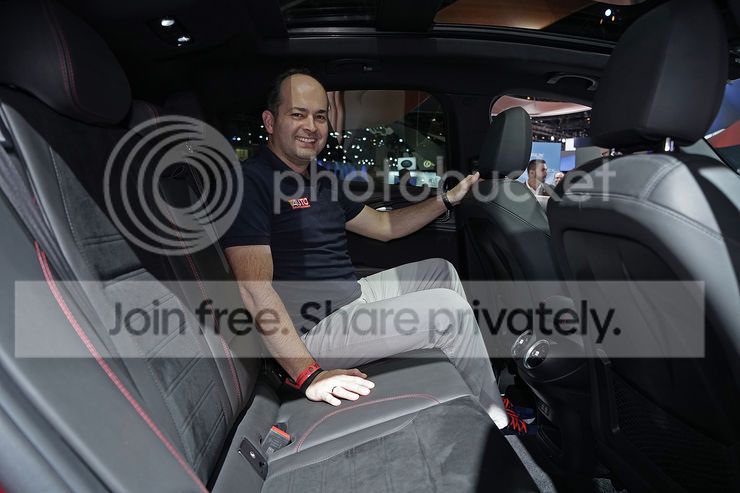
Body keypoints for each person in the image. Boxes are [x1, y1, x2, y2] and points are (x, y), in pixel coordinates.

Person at [222, 69, 508, 428]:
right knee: (449, 311)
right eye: (297, 114)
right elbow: (253, 289)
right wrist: (308, 374)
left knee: (440, 270)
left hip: (352, 297)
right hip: (313, 328)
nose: (311, 126)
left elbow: (385, 227)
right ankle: (496, 419)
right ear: (270, 121)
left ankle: (459, 380)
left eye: (320, 116)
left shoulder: (321, 179)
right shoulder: (250, 184)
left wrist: (447, 199)